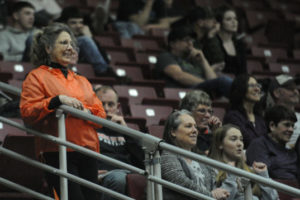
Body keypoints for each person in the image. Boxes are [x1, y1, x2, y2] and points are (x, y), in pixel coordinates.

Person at [20, 23, 106, 200]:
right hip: (56, 150)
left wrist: (84, 111)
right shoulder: (37, 76)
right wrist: (55, 101)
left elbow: (101, 115)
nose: (69, 48)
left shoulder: (82, 80)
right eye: (63, 43)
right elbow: (28, 112)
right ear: (48, 48)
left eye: (71, 44)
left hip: (88, 149)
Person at [161, 109, 230, 200]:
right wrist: (210, 195)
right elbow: (184, 185)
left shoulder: (199, 158)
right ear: (173, 132)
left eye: (195, 127)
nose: (195, 131)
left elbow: (213, 183)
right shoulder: (167, 156)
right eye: (188, 126)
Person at [95, 85, 144, 200]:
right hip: (106, 174)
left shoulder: (125, 131)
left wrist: (126, 131)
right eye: (102, 104)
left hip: (128, 172)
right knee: (119, 179)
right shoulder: (88, 127)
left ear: (117, 107)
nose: (106, 109)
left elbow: (142, 161)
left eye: (110, 104)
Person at [155, 26, 232, 98]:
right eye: (186, 40)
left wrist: (203, 61)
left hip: (202, 94)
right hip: (186, 93)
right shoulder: (166, 57)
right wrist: (208, 84)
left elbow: (212, 79)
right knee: (222, 81)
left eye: (191, 40)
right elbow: (179, 76)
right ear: (172, 44)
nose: (190, 43)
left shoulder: (195, 60)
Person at [208, 124, 279, 200]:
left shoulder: (248, 171)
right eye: (233, 139)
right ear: (220, 144)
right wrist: (231, 175)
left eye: (241, 140)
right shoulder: (210, 170)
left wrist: (264, 177)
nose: (239, 144)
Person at [246, 105, 299, 181]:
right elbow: (261, 176)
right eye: (287, 125)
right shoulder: (259, 145)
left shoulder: (292, 153)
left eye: (292, 126)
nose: (291, 130)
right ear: (272, 126)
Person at [56, 6, 112, 76]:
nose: (78, 26)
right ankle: (105, 73)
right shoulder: (57, 35)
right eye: (73, 23)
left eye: (81, 22)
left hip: (81, 74)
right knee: (84, 40)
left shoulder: (84, 37)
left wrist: (91, 38)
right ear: (64, 24)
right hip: (63, 68)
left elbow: (106, 60)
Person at [223, 74, 267, 148]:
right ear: (241, 88)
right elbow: (248, 141)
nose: (257, 89)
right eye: (252, 86)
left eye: (258, 85)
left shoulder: (259, 117)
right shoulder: (233, 117)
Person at [115, 0, 183, 38]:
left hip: (148, 34)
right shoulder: (128, 1)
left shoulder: (158, 2)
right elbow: (139, 23)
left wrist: (150, 27)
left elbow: (165, 25)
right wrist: (149, 3)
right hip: (128, 33)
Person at [266, 74, 300, 149]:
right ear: (277, 93)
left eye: (296, 88)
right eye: (290, 88)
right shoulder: (269, 118)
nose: (296, 92)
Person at [213, 5, 247, 75]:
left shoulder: (240, 44)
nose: (234, 22)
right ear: (219, 23)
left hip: (238, 83)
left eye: (235, 19)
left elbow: (243, 71)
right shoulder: (213, 42)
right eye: (229, 19)